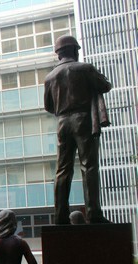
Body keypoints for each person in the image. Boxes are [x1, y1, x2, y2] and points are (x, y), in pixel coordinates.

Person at [43, 35, 112, 224]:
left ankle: (60, 216)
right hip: (83, 119)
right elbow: (105, 86)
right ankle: (94, 213)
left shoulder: (50, 77)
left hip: (62, 123)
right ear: (74, 50)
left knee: (62, 169)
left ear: (58, 54)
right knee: (89, 166)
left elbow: (49, 106)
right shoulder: (85, 68)